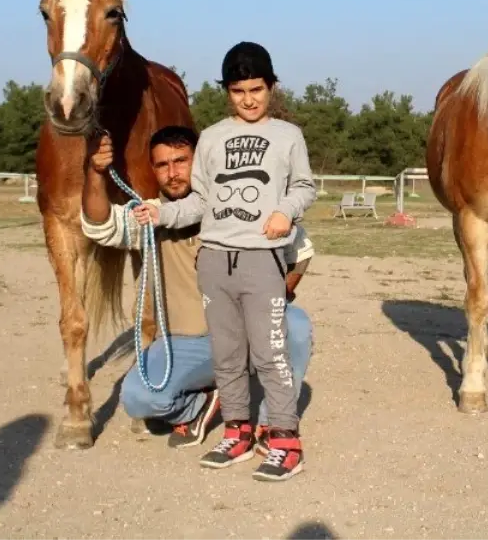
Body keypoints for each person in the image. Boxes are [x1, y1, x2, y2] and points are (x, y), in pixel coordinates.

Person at [137, 41, 318, 482]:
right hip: (215, 261)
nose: (249, 99)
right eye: (238, 91)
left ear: (271, 87)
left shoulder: (288, 136)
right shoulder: (213, 137)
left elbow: (306, 187)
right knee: (227, 355)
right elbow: (199, 200)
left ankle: (284, 440)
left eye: (257, 88)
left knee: (271, 354)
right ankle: (236, 431)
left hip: (262, 260)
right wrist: (163, 212)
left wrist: (285, 211)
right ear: (227, 92)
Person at [80, 123, 315, 459]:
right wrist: (96, 171)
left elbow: (301, 252)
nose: (173, 173)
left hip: (244, 331)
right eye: (162, 165)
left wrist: (275, 296)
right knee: (138, 398)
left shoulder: (241, 205)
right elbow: (100, 224)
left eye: (181, 161)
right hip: (186, 342)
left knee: (297, 325)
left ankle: (271, 425)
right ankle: (199, 402)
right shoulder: (151, 215)